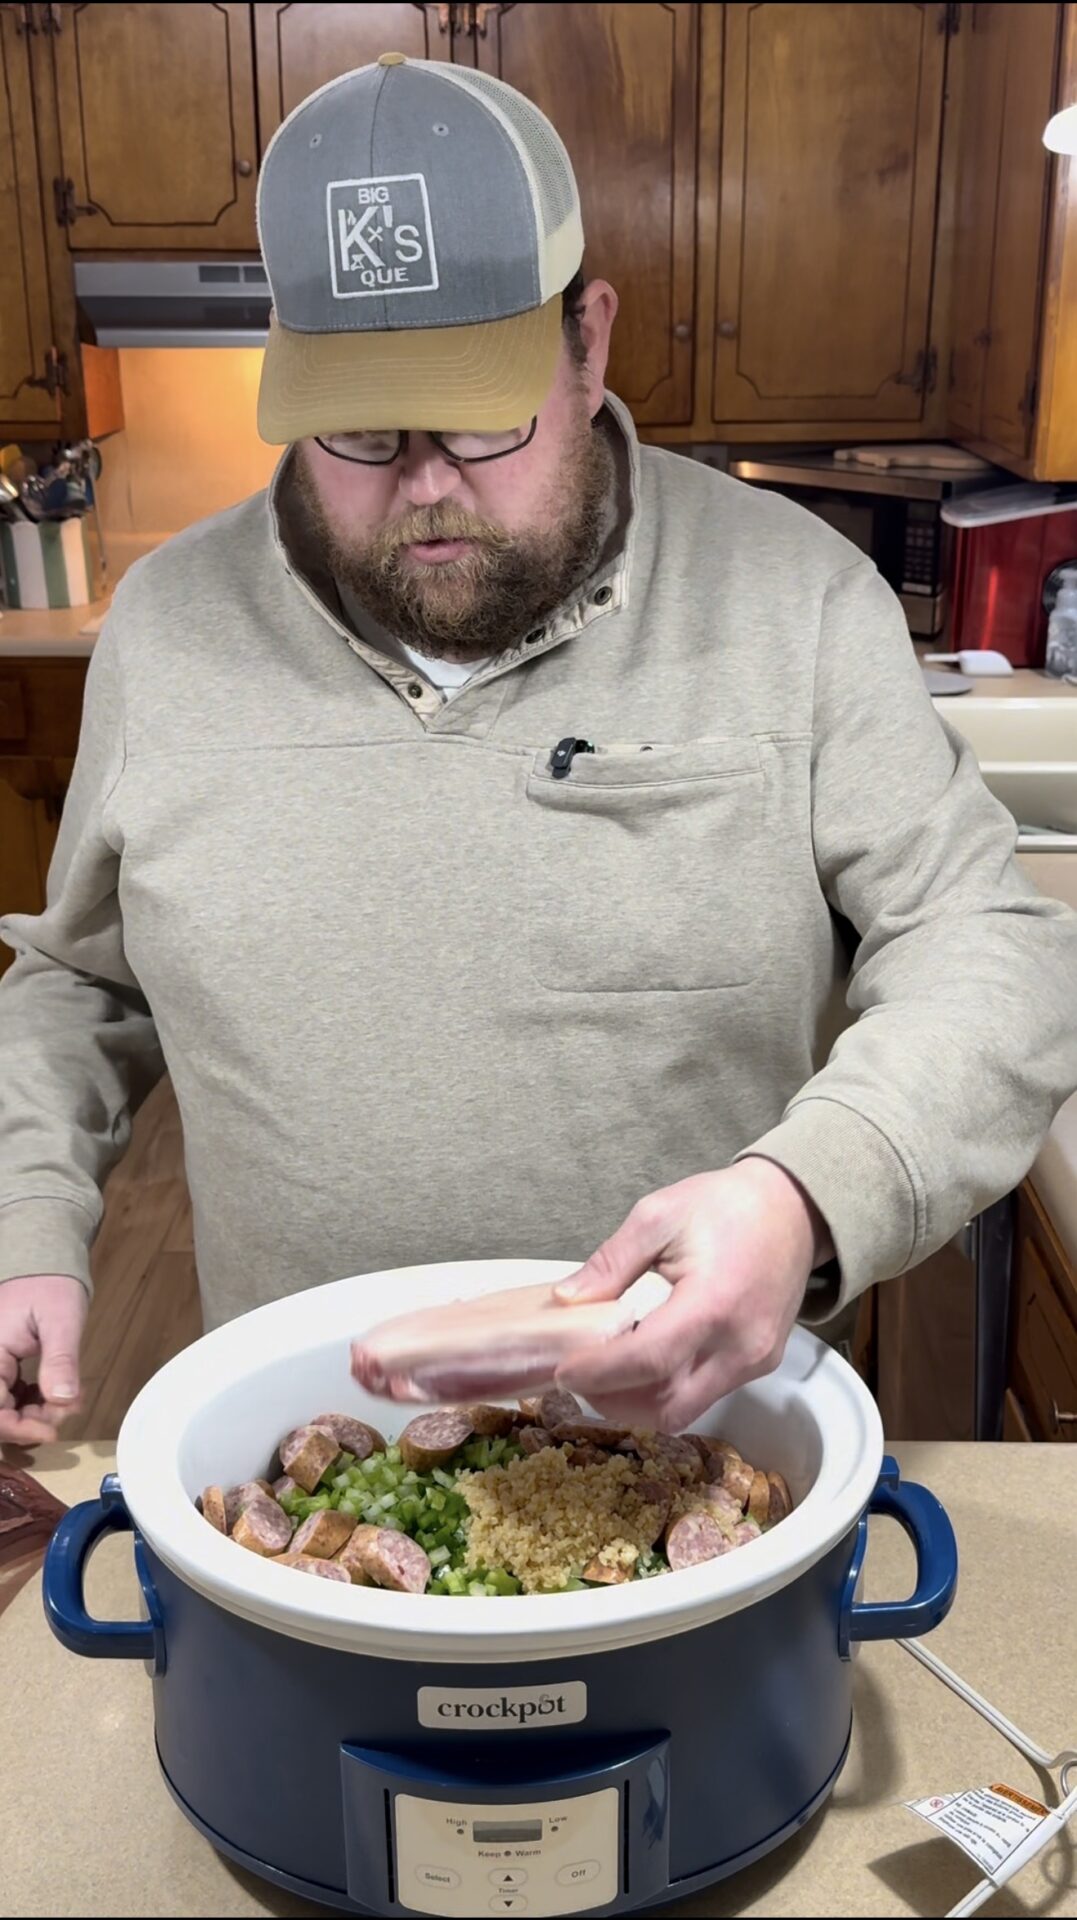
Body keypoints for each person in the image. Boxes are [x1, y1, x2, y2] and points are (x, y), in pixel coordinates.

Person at [1, 55, 1075, 1447]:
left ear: (590, 341)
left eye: (481, 412)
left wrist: (807, 1192)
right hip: (316, 1452)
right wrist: (27, 1216)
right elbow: (80, 980)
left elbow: (988, 946)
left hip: (700, 1443)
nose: (428, 482)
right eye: (363, 428)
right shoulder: (165, 628)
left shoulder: (794, 601)